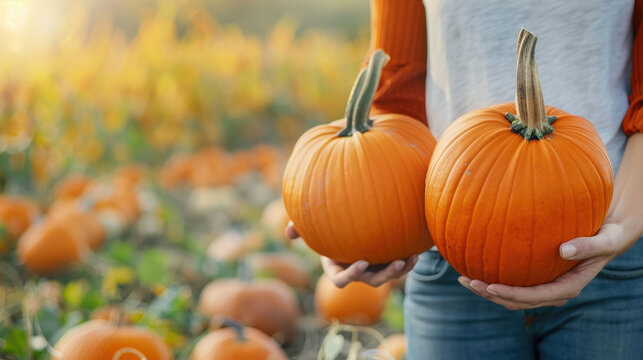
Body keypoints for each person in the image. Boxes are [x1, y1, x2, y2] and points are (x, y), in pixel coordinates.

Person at [287, 0, 643, 358]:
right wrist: (339, 206)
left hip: (608, 241)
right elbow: (397, 90)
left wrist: (624, 226)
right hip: (452, 248)